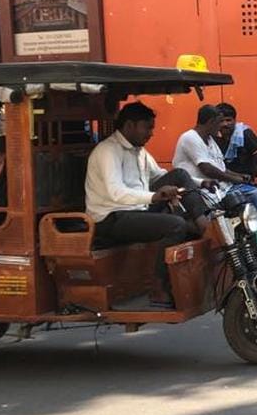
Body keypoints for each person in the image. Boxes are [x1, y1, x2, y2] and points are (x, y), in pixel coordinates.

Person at [85, 102, 210, 308]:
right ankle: (158, 286)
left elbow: (161, 175)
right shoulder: (108, 151)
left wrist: (200, 183)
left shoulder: (139, 151)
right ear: (130, 126)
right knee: (176, 225)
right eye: (147, 127)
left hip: (136, 210)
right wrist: (154, 197)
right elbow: (115, 193)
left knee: (179, 174)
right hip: (111, 217)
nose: (151, 133)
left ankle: (203, 222)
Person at [172, 104, 257, 228]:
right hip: (202, 190)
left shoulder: (210, 139)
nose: (221, 126)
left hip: (221, 188)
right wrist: (234, 179)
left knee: (256, 194)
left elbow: (220, 167)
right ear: (211, 122)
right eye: (219, 122)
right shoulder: (190, 138)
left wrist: (239, 176)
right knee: (255, 194)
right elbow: (207, 169)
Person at [212, 102, 257, 183]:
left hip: (244, 179)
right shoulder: (213, 135)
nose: (225, 124)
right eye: (221, 121)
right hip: (222, 178)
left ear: (235, 120)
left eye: (228, 120)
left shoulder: (245, 133)